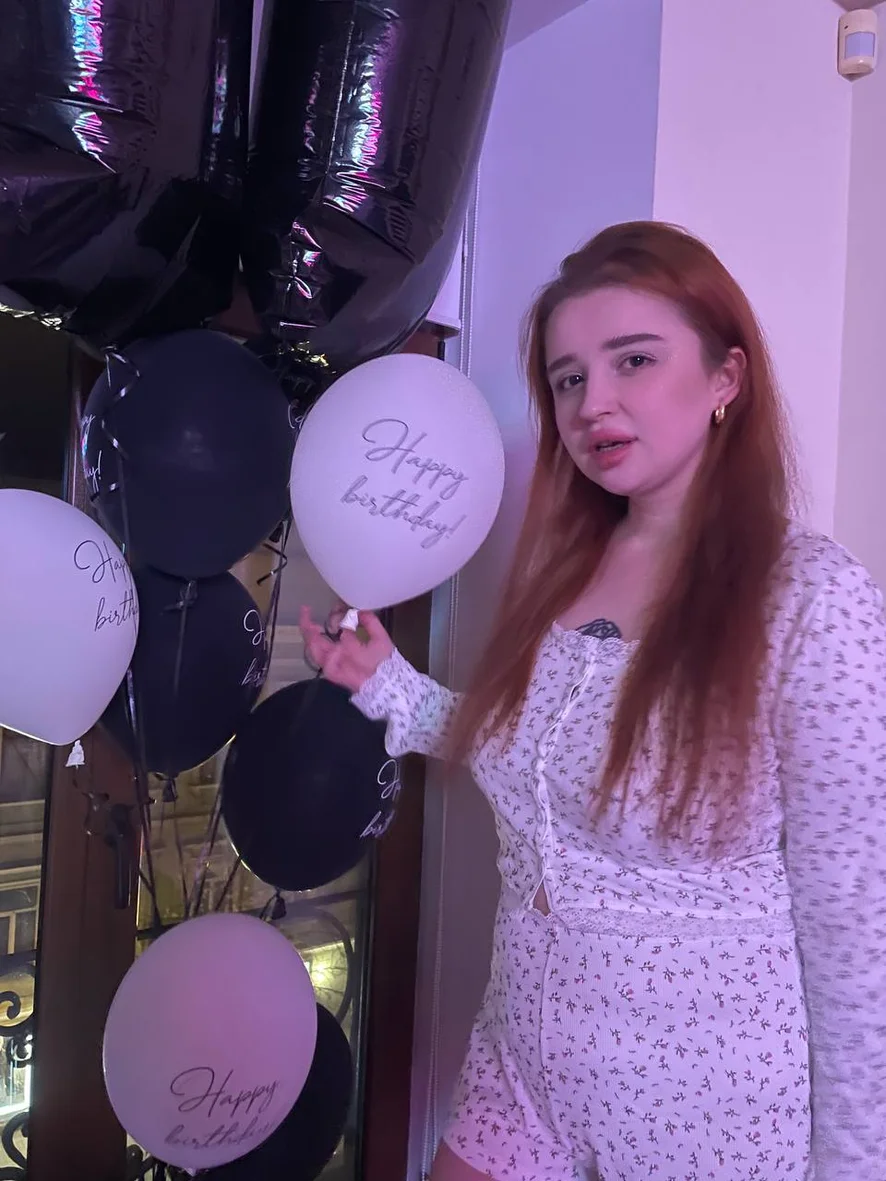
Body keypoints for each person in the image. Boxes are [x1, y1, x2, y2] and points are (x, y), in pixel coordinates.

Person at [300, 221, 886, 1181]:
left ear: (726, 377)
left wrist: (855, 1166)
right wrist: (390, 686)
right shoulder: (567, 570)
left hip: (707, 1114)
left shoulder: (810, 596)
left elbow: (857, 925)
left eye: (634, 360)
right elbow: (538, 755)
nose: (593, 403)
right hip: (521, 1061)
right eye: (568, 377)